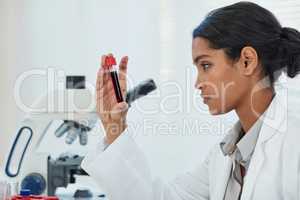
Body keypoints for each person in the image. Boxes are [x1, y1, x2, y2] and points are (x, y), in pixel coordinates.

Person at [81, 2, 300, 200]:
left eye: (206, 66)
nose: (198, 83)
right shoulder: (224, 156)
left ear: (247, 61)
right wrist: (114, 126)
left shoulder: (293, 146)